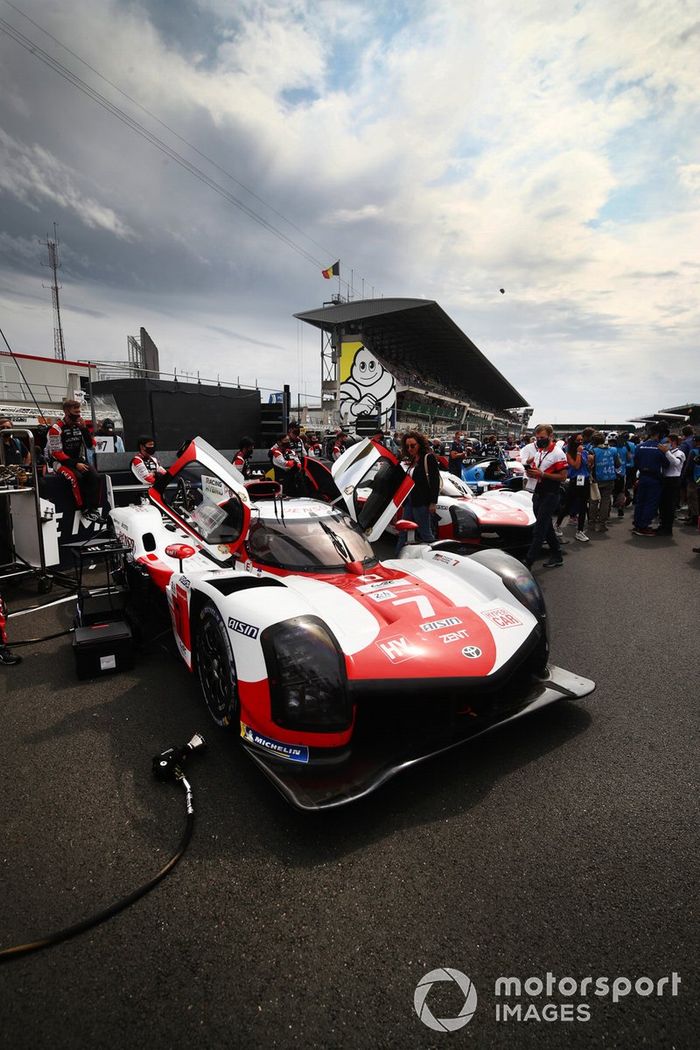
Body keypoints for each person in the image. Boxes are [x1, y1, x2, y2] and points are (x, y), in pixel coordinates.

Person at [47, 398, 102, 520]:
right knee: (76, 477)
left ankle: (94, 509)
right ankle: (83, 509)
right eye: (75, 412)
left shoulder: (81, 425)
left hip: (78, 459)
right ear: (67, 411)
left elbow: (91, 446)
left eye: (79, 411)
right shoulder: (56, 429)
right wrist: (75, 464)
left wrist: (84, 429)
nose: (78, 414)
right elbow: (57, 453)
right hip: (59, 462)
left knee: (95, 477)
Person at [522, 424, 568, 569]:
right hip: (538, 492)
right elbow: (537, 470)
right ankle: (557, 555)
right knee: (546, 526)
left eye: (542, 437)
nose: (539, 440)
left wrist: (542, 474)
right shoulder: (539, 452)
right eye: (537, 438)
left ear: (550, 436)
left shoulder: (558, 454)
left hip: (551, 494)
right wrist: (531, 472)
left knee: (540, 529)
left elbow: (563, 476)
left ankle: (528, 561)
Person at [396, 431, 440, 553]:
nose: (410, 449)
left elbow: (435, 481)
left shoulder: (428, 458)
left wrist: (433, 502)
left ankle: (433, 556)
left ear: (419, 444)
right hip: (410, 501)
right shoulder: (413, 459)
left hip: (422, 502)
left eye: (413, 445)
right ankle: (397, 557)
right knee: (403, 531)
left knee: (425, 533)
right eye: (407, 446)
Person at [632, 424, 670, 537]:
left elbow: (635, 463)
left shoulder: (639, 446)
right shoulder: (660, 448)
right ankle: (643, 527)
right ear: (658, 434)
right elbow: (667, 464)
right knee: (651, 503)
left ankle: (637, 524)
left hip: (642, 477)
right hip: (655, 478)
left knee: (640, 502)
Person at [557, 434, 590, 541]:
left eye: (581, 440)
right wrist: (579, 453)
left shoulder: (585, 452)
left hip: (585, 480)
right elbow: (576, 465)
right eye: (578, 440)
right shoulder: (569, 454)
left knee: (583, 506)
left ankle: (580, 531)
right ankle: (557, 525)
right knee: (568, 505)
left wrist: (590, 460)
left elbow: (587, 465)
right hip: (575, 481)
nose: (580, 442)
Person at [589, 432, 619, 532]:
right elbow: (618, 464)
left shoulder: (593, 451)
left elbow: (589, 465)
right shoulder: (613, 450)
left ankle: (592, 524)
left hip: (596, 479)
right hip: (610, 478)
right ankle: (602, 524)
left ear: (593, 442)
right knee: (605, 502)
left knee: (594, 501)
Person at [656, 434, 685, 536]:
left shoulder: (680, 453)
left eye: (667, 442)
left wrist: (666, 452)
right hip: (664, 479)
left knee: (669, 505)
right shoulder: (667, 453)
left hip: (673, 480)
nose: (665, 444)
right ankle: (662, 525)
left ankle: (668, 528)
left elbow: (676, 463)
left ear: (673, 442)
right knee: (662, 505)